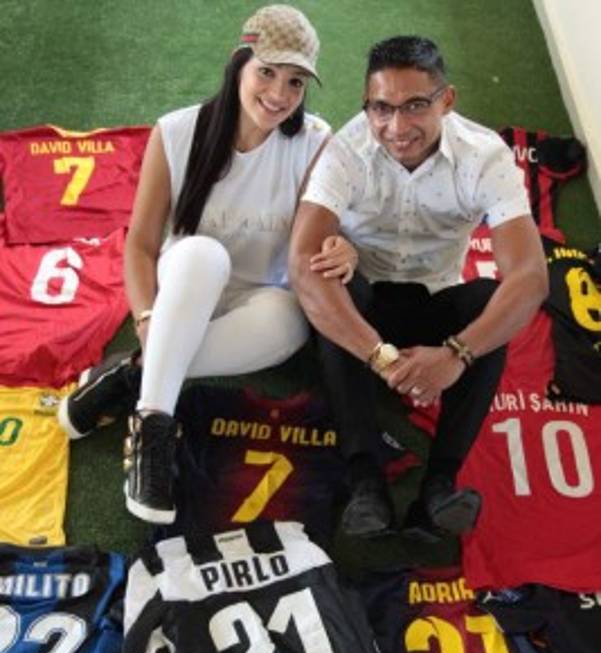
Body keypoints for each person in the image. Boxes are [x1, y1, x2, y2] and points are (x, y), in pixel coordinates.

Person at [58, 4, 356, 525]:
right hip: (185, 286)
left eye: (295, 82)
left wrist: (343, 246)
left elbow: (323, 234)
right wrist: (148, 319)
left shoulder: (315, 141)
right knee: (203, 253)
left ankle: (132, 375)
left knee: (291, 318)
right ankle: (153, 429)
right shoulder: (176, 131)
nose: (279, 94)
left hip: (257, 299)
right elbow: (141, 246)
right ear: (239, 63)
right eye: (267, 72)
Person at [289, 35, 549, 541]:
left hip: (436, 301)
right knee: (329, 285)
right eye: (381, 108)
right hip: (365, 298)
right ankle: (365, 481)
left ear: (446, 101)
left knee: (490, 303)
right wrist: (381, 358)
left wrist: (457, 355)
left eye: (415, 106)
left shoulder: (485, 156)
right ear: (366, 105)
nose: (396, 127)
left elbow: (530, 276)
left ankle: (440, 485)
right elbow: (301, 263)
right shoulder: (345, 150)